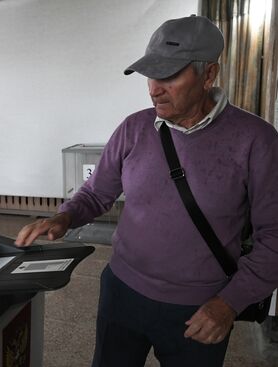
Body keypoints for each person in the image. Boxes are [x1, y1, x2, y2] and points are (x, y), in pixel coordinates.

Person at [15, 15, 278, 367]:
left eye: (169, 75)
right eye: (151, 75)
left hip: (201, 307)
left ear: (209, 74)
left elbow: (274, 236)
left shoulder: (255, 140)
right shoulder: (134, 128)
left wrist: (229, 302)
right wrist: (65, 216)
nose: (154, 88)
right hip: (121, 292)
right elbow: (96, 193)